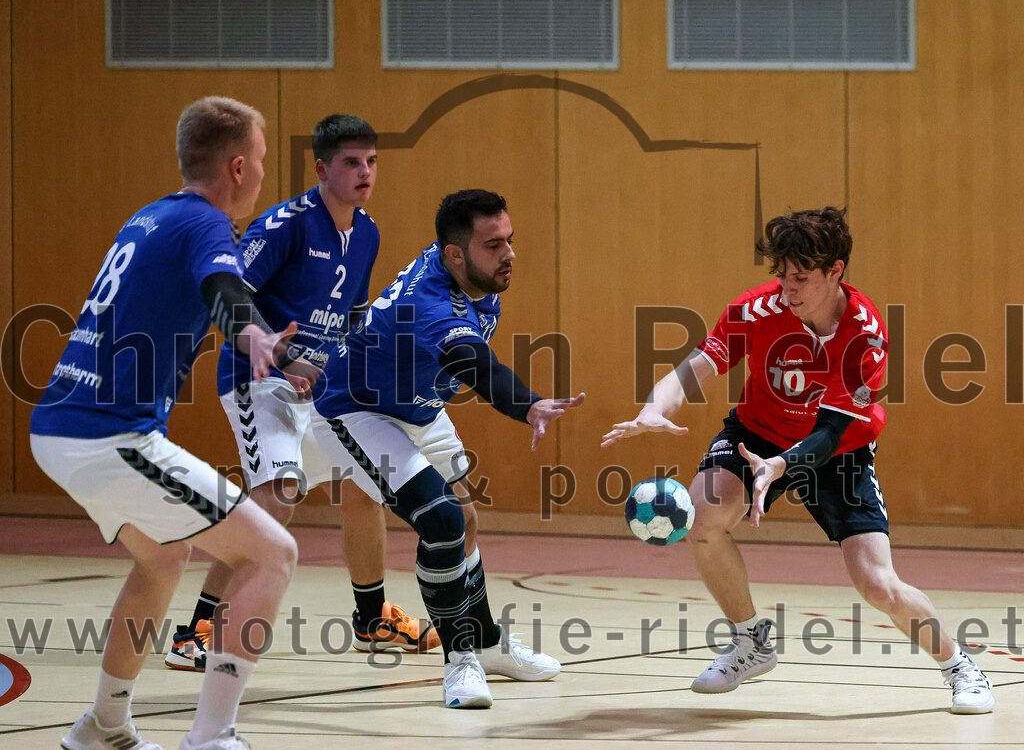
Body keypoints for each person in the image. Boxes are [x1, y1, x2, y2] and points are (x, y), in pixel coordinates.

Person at [602, 206, 994, 715]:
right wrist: (656, 407)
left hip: (836, 451)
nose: (788, 288)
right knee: (702, 519)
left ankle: (960, 665)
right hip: (756, 433)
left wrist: (783, 466)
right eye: (782, 275)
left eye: (802, 277)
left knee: (878, 584)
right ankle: (751, 641)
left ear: (836, 272)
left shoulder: (864, 334)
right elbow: (695, 367)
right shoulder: (757, 310)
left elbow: (830, 433)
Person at [30, 96, 303, 750]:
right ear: (238, 166)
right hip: (106, 434)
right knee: (273, 551)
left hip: (61, 426)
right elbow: (223, 289)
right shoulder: (205, 224)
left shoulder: (150, 215)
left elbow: (210, 289)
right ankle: (210, 745)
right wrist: (253, 335)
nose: (264, 174)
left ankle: (103, 726)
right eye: (263, 162)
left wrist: (262, 339)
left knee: (163, 556)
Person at [164, 114, 438, 673]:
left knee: (366, 480)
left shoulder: (367, 232)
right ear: (322, 168)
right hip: (257, 377)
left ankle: (371, 619)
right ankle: (197, 628)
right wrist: (281, 354)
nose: (365, 173)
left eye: (372, 162)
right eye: (351, 163)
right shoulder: (286, 224)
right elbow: (230, 293)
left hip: (318, 385)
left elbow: (355, 313)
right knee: (279, 494)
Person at [311, 189, 585, 708]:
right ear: (455, 254)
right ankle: (461, 662)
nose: (508, 254)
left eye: (509, 240)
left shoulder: (471, 271)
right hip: (357, 409)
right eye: (493, 244)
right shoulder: (432, 302)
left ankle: (487, 643)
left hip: (417, 403)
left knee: (466, 518)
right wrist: (527, 404)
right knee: (441, 521)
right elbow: (471, 363)